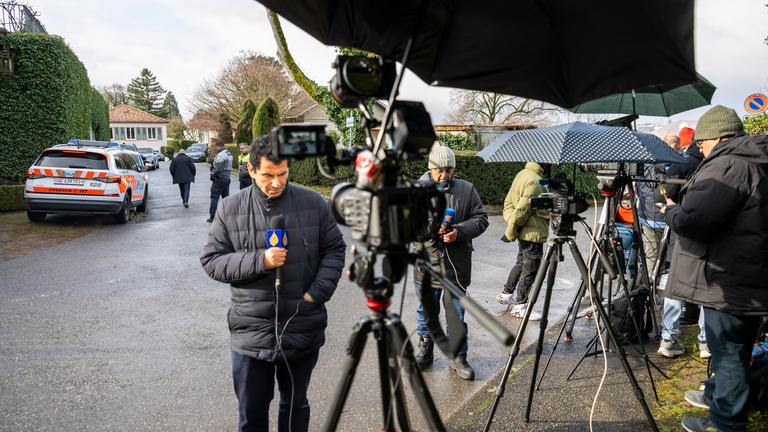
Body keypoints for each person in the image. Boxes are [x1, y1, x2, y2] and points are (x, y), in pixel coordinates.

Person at [200, 136, 346, 432]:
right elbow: (212, 261)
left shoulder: (313, 203)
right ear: (251, 171)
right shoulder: (229, 208)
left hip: (302, 326)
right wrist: (260, 261)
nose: (276, 183)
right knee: (251, 415)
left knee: (295, 408)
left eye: (282, 174)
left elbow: (335, 249)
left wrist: (317, 294)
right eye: (268, 175)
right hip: (250, 334)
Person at [660, 105, 768, 432]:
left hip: (727, 281)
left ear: (719, 137)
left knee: (730, 356)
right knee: (735, 352)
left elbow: (696, 222)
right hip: (746, 278)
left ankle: (725, 423)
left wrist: (672, 210)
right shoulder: (754, 162)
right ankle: (721, 403)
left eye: (703, 143)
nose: (700, 150)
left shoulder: (727, 166)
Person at [413, 145, 489, 381]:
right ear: (430, 168)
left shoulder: (467, 189)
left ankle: (458, 356)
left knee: (456, 312)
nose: (445, 175)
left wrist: (459, 231)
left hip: (457, 266)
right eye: (440, 170)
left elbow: (482, 219)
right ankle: (426, 351)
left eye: (449, 169)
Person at [657, 130, 710, 359]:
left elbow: (666, 195)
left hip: (680, 233)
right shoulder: (718, 166)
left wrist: (671, 209)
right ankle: (706, 343)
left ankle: (668, 338)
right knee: (709, 288)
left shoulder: (681, 163)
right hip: (710, 234)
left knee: (674, 283)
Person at [496, 162, 549, 320]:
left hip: (525, 231)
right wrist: (512, 228)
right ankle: (520, 306)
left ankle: (506, 294)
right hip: (533, 232)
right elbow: (522, 210)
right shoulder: (535, 181)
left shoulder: (523, 174)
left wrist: (512, 222)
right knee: (530, 268)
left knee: (521, 262)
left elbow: (509, 203)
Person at [208, 141, 233, 223]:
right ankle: (228, 216)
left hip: (219, 179)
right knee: (226, 198)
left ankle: (212, 216)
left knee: (214, 198)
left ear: (220, 146)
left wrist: (212, 175)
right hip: (227, 178)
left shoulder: (221, 155)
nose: (215, 148)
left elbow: (218, 169)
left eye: (216, 146)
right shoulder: (229, 154)